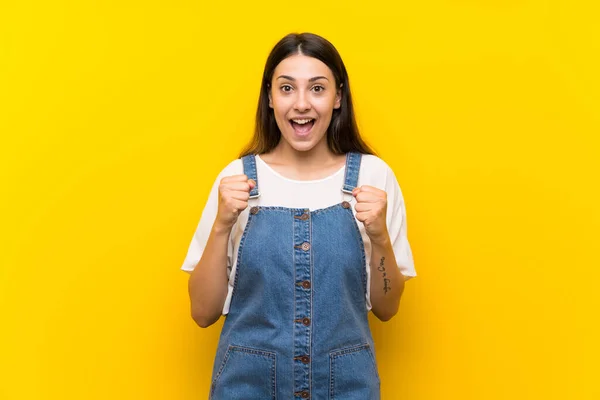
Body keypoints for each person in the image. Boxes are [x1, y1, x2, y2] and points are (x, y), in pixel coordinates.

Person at [180, 32, 417, 400]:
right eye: (287, 88)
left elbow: (387, 309)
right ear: (270, 98)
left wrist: (381, 237)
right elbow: (202, 312)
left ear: (338, 97)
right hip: (247, 388)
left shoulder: (374, 177)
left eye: (317, 89)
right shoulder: (236, 180)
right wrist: (222, 224)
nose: (302, 104)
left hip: (347, 388)